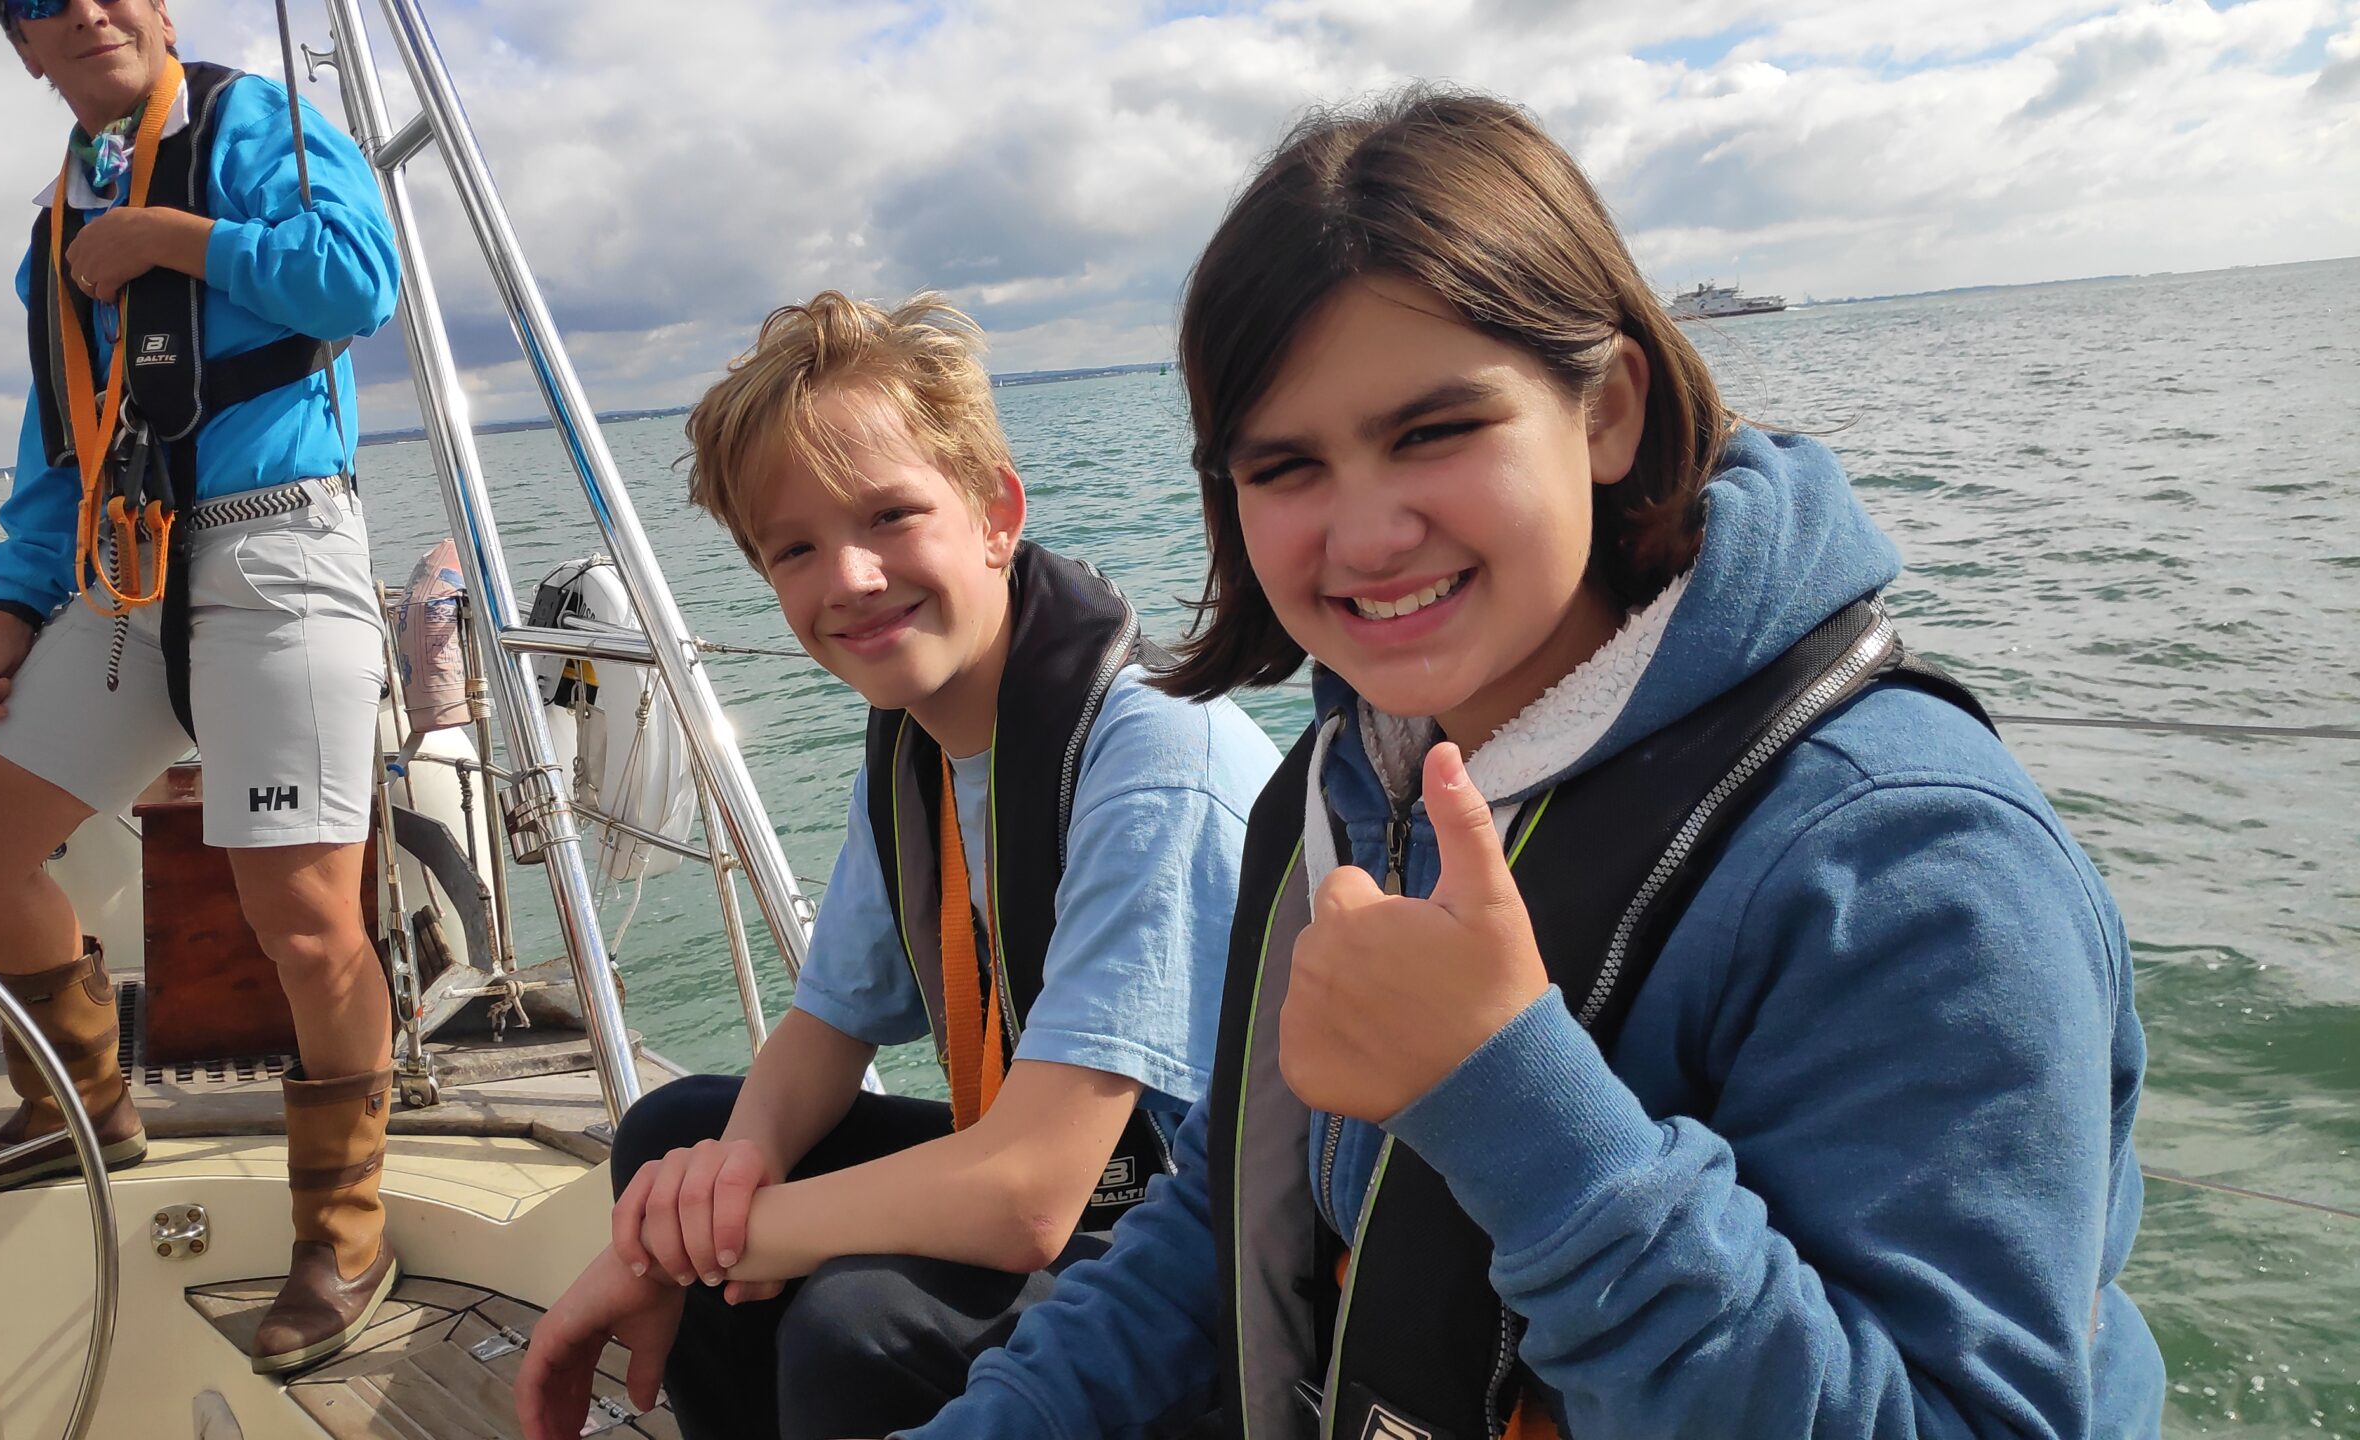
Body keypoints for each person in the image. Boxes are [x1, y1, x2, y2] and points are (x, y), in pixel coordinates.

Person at [900, 88, 2165, 1439]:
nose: (1367, 534)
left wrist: (1513, 1097)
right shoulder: (1341, 789)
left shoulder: (1906, 858)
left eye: (1435, 432)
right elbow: (1229, 1200)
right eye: (1286, 468)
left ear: (1608, 411)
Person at [513, 292, 1279, 1440]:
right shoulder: (925, 740)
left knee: (860, 1322)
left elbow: (1030, 1198)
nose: (852, 579)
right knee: (678, 1136)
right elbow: (827, 1029)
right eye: (797, 549)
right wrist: (728, 1180)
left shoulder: (1152, 758)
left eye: (889, 516)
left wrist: (683, 1245)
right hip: (1068, 1185)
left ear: (995, 514)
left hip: (1203, 1248)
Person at [0, 0, 402, 1375]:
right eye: (38, 5)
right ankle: (83, 1100)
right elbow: (57, 430)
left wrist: (173, 240)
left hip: (279, 542)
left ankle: (345, 1226)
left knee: (300, 916)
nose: (82, 11)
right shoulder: (50, 226)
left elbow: (360, 282)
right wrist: (12, 610)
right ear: (21, 49)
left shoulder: (257, 126)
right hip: (122, 574)